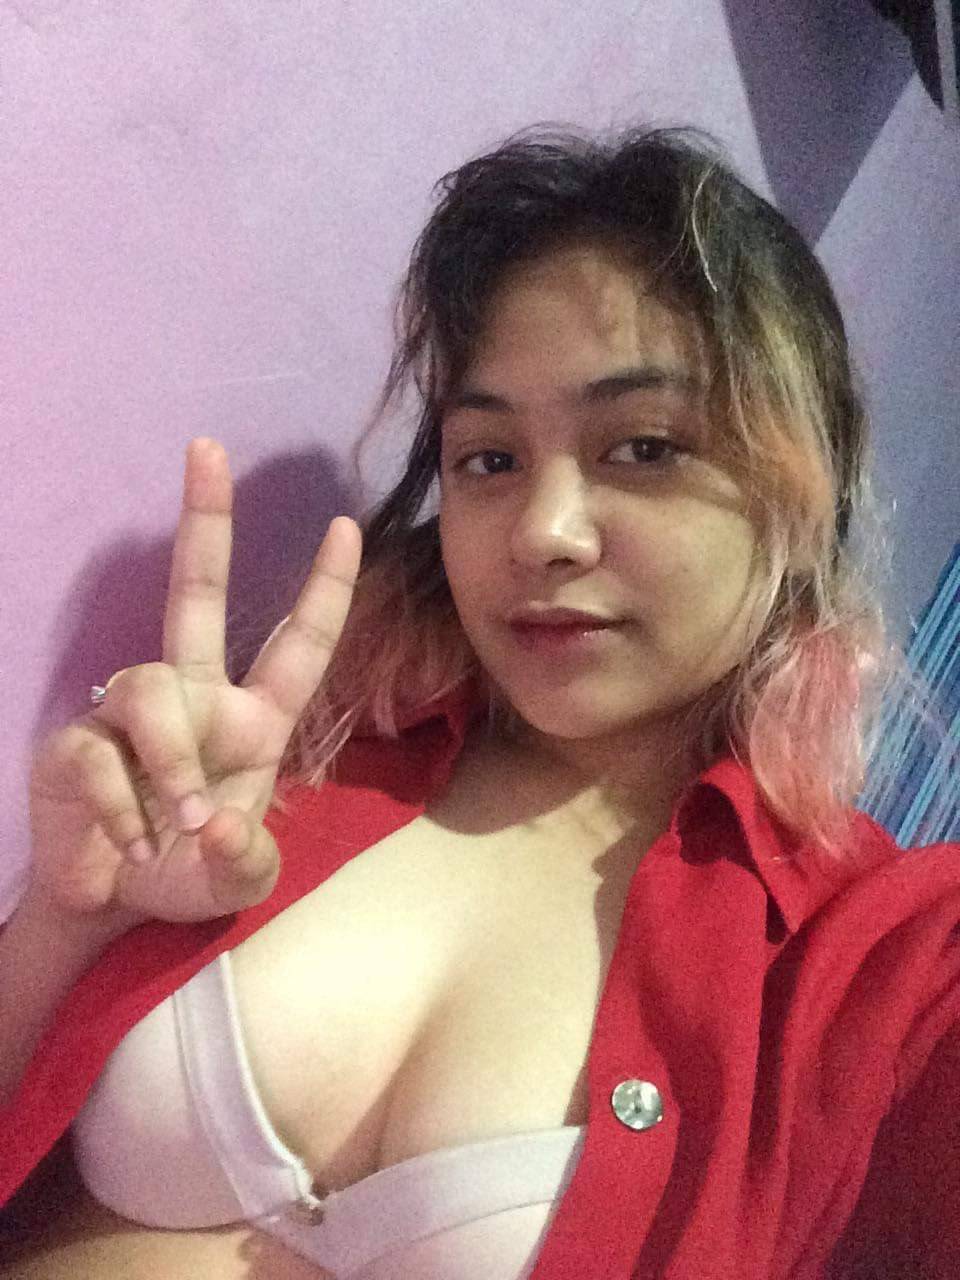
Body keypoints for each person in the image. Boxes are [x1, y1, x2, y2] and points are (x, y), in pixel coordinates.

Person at [0, 122, 958, 1280]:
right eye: (489, 458)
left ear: (799, 495)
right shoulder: (298, 762)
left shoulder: (872, 965)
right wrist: (67, 920)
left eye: (644, 446)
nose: (543, 533)